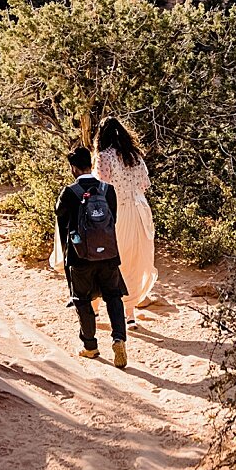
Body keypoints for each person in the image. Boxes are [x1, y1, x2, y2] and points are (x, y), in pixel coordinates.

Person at [51, 145, 128, 367]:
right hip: (108, 254)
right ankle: (118, 338)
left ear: (73, 168)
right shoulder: (108, 190)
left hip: (80, 256)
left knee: (82, 299)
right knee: (113, 296)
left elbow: (61, 219)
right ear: (91, 165)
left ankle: (91, 346)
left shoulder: (69, 192)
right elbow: (113, 218)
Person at [94, 116, 157, 325]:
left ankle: (94, 308)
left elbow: (100, 187)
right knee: (133, 261)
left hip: (116, 211)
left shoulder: (104, 156)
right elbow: (145, 184)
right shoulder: (134, 155)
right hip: (139, 210)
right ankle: (129, 313)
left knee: (108, 260)